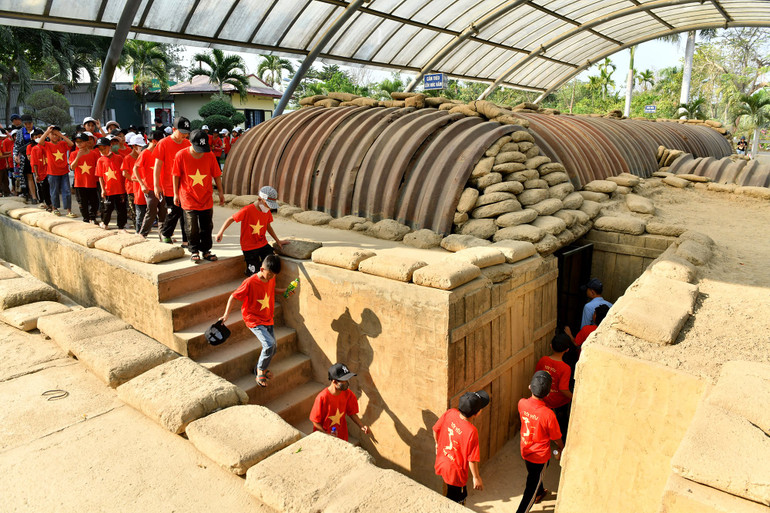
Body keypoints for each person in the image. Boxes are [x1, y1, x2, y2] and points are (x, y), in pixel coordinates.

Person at [219, 254, 292, 387]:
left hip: (267, 317)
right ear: (262, 269)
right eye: (269, 274)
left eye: (273, 275)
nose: (271, 277)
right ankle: (260, 371)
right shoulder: (250, 282)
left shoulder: (271, 278)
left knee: (273, 349)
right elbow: (233, 296)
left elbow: (271, 290)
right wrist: (226, 315)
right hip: (253, 319)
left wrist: (284, 291)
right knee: (269, 345)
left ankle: (259, 368)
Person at [172, 129, 225, 263]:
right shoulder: (181, 155)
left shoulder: (210, 155)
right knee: (191, 226)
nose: (200, 151)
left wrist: (221, 192)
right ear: (190, 142)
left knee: (207, 226)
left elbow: (217, 175)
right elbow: (176, 176)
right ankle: (194, 250)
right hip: (188, 197)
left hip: (206, 197)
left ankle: (206, 250)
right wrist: (175, 194)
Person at [516, 371, 564, 513]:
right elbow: (556, 437)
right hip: (539, 457)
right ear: (548, 394)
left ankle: (540, 491)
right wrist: (561, 447)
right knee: (530, 489)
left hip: (525, 449)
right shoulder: (548, 414)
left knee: (534, 475)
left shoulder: (521, 403)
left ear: (530, 387)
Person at [215, 185, 288, 276]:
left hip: (262, 244)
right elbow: (231, 219)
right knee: (254, 273)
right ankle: (249, 271)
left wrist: (278, 240)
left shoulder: (267, 211)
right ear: (259, 199)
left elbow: (268, 226)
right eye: (267, 204)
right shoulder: (247, 210)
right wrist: (220, 232)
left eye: (270, 206)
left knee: (272, 262)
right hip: (249, 247)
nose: (269, 208)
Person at [433, 390, 490, 505]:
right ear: (477, 413)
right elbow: (472, 459)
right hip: (456, 472)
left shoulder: (450, 412)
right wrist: (476, 477)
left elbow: (435, 429)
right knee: (457, 498)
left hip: (443, 461)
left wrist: (437, 444)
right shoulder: (471, 431)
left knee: (451, 490)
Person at [155, 117, 192, 245]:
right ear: (174, 129)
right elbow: (158, 165)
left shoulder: (187, 144)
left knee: (186, 213)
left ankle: (186, 239)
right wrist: (156, 185)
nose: (185, 135)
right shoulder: (163, 143)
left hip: (185, 186)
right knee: (174, 212)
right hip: (170, 185)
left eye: (187, 132)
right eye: (182, 132)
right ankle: (166, 233)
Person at [310, 363, 370, 441]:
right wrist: (327, 436)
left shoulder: (348, 394)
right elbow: (315, 422)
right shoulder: (322, 398)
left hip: (341, 435)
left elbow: (351, 412)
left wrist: (361, 426)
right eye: (344, 380)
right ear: (335, 382)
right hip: (324, 438)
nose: (347, 383)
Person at [535, 333, 573, 439]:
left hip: (545, 398)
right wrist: (574, 397)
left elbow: (538, 377)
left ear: (551, 346)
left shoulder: (543, 360)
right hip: (559, 402)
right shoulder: (565, 368)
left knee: (545, 420)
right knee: (561, 422)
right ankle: (561, 440)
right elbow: (563, 389)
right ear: (567, 350)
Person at [38, 125, 74, 216]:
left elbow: (71, 144)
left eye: (56, 134)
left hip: (64, 171)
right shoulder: (47, 145)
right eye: (53, 134)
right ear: (49, 136)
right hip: (52, 172)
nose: (55, 136)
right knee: (54, 191)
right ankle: (55, 208)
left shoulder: (62, 143)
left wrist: (61, 135)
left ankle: (69, 210)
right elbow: (40, 142)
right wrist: (47, 132)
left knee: (67, 191)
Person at [135, 130, 165, 237]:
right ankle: (142, 234)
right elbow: (135, 169)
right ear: (154, 141)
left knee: (163, 212)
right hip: (150, 188)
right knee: (151, 213)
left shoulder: (161, 153)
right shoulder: (145, 153)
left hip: (162, 188)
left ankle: (163, 235)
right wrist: (142, 184)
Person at [95, 136, 127, 230]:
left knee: (121, 208)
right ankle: (105, 222)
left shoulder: (119, 158)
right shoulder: (100, 160)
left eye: (104, 148)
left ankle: (121, 225)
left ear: (109, 146)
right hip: (108, 189)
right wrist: (102, 189)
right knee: (107, 208)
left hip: (120, 188)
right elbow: (100, 176)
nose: (102, 151)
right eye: (100, 149)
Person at [69, 132, 101, 223]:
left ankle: (93, 217)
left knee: (94, 202)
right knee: (82, 203)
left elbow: (98, 167)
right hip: (79, 182)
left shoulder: (94, 154)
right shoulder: (74, 154)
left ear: (87, 142)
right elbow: (72, 167)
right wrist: (78, 156)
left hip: (91, 182)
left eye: (81, 141)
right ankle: (86, 218)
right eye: (77, 142)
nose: (79, 144)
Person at [13, 114, 37, 202]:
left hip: (37, 157)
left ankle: (40, 195)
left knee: (38, 176)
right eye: (26, 123)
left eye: (29, 123)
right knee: (29, 176)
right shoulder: (20, 132)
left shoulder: (38, 130)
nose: (28, 125)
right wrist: (16, 155)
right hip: (25, 157)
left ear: (32, 122)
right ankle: (33, 196)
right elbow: (16, 145)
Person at [28, 129, 52, 211]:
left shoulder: (48, 145)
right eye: (36, 137)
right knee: (44, 188)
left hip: (50, 170)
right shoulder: (34, 148)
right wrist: (36, 174)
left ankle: (52, 204)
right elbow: (34, 162)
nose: (39, 138)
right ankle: (47, 203)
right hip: (41, 171)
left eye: (40, 136)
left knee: (51, 188)